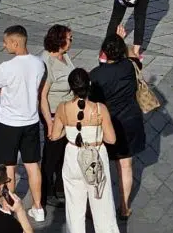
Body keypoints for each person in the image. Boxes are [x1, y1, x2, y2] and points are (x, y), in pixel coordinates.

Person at [0, 25, 46, 224]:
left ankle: (9, 205)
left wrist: (1, 91)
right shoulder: (39, 64)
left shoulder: (6, 67)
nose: (4, 45)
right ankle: (38, 207)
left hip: (8, 123)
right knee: (32, 165)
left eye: (6, 41)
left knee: (8, 165)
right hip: (31, 121)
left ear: (16, 43)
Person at [50, 68, 117, 233]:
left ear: (71, 87)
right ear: (89, 85)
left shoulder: (62, 108)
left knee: (74, 207)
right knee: (102, 206)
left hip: (73, 156)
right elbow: (111, 139)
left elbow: (55, 135)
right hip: (95, 156)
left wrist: (71, 132)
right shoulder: (100, 109)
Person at [89, 33, 145, 220]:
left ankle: (95, 206)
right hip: (130, 121)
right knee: (126, 165)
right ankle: (124, 206)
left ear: (104, 52)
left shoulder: (96, 75)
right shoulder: (129, 66)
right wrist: (122, 41)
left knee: (100, 165)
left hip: (106, 124)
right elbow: (134, 56)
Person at [38, 25, 74, 210]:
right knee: (51, 155)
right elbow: (42, 96)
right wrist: (50, 123)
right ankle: (46, 192)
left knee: (63, 153)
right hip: (54, 115)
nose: (71, 42)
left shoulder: (64, 56)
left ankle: (60, 187)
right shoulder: (47, 62)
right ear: (59, 40)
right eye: (69, 38)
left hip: (67, 113)